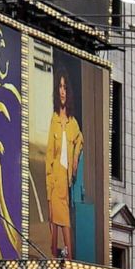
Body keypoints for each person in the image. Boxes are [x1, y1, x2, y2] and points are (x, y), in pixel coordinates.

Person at [46, 72, 84, 258]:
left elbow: (80, 140)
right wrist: (48, 187)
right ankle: (60, 256)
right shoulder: (53, 120)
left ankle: (66, 257)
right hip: (54, 179)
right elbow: (48, 156)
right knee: (56, 220)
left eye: (65, 88)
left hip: (65, 179)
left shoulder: (72, 122)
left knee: (63, 220)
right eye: (60, 87)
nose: (62, 91)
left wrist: (75, 159)